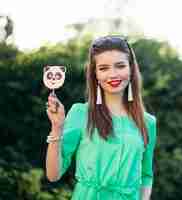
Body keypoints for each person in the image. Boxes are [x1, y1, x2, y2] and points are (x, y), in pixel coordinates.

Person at [45, 36, 157, 200]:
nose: (113, 74)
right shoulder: (80, 113)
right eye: (103, 68)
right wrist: (56, 127)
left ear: (131, 69)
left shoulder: (148, 122)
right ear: (95, 74)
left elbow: (146, 175)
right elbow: (53, 175)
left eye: (120, 66)